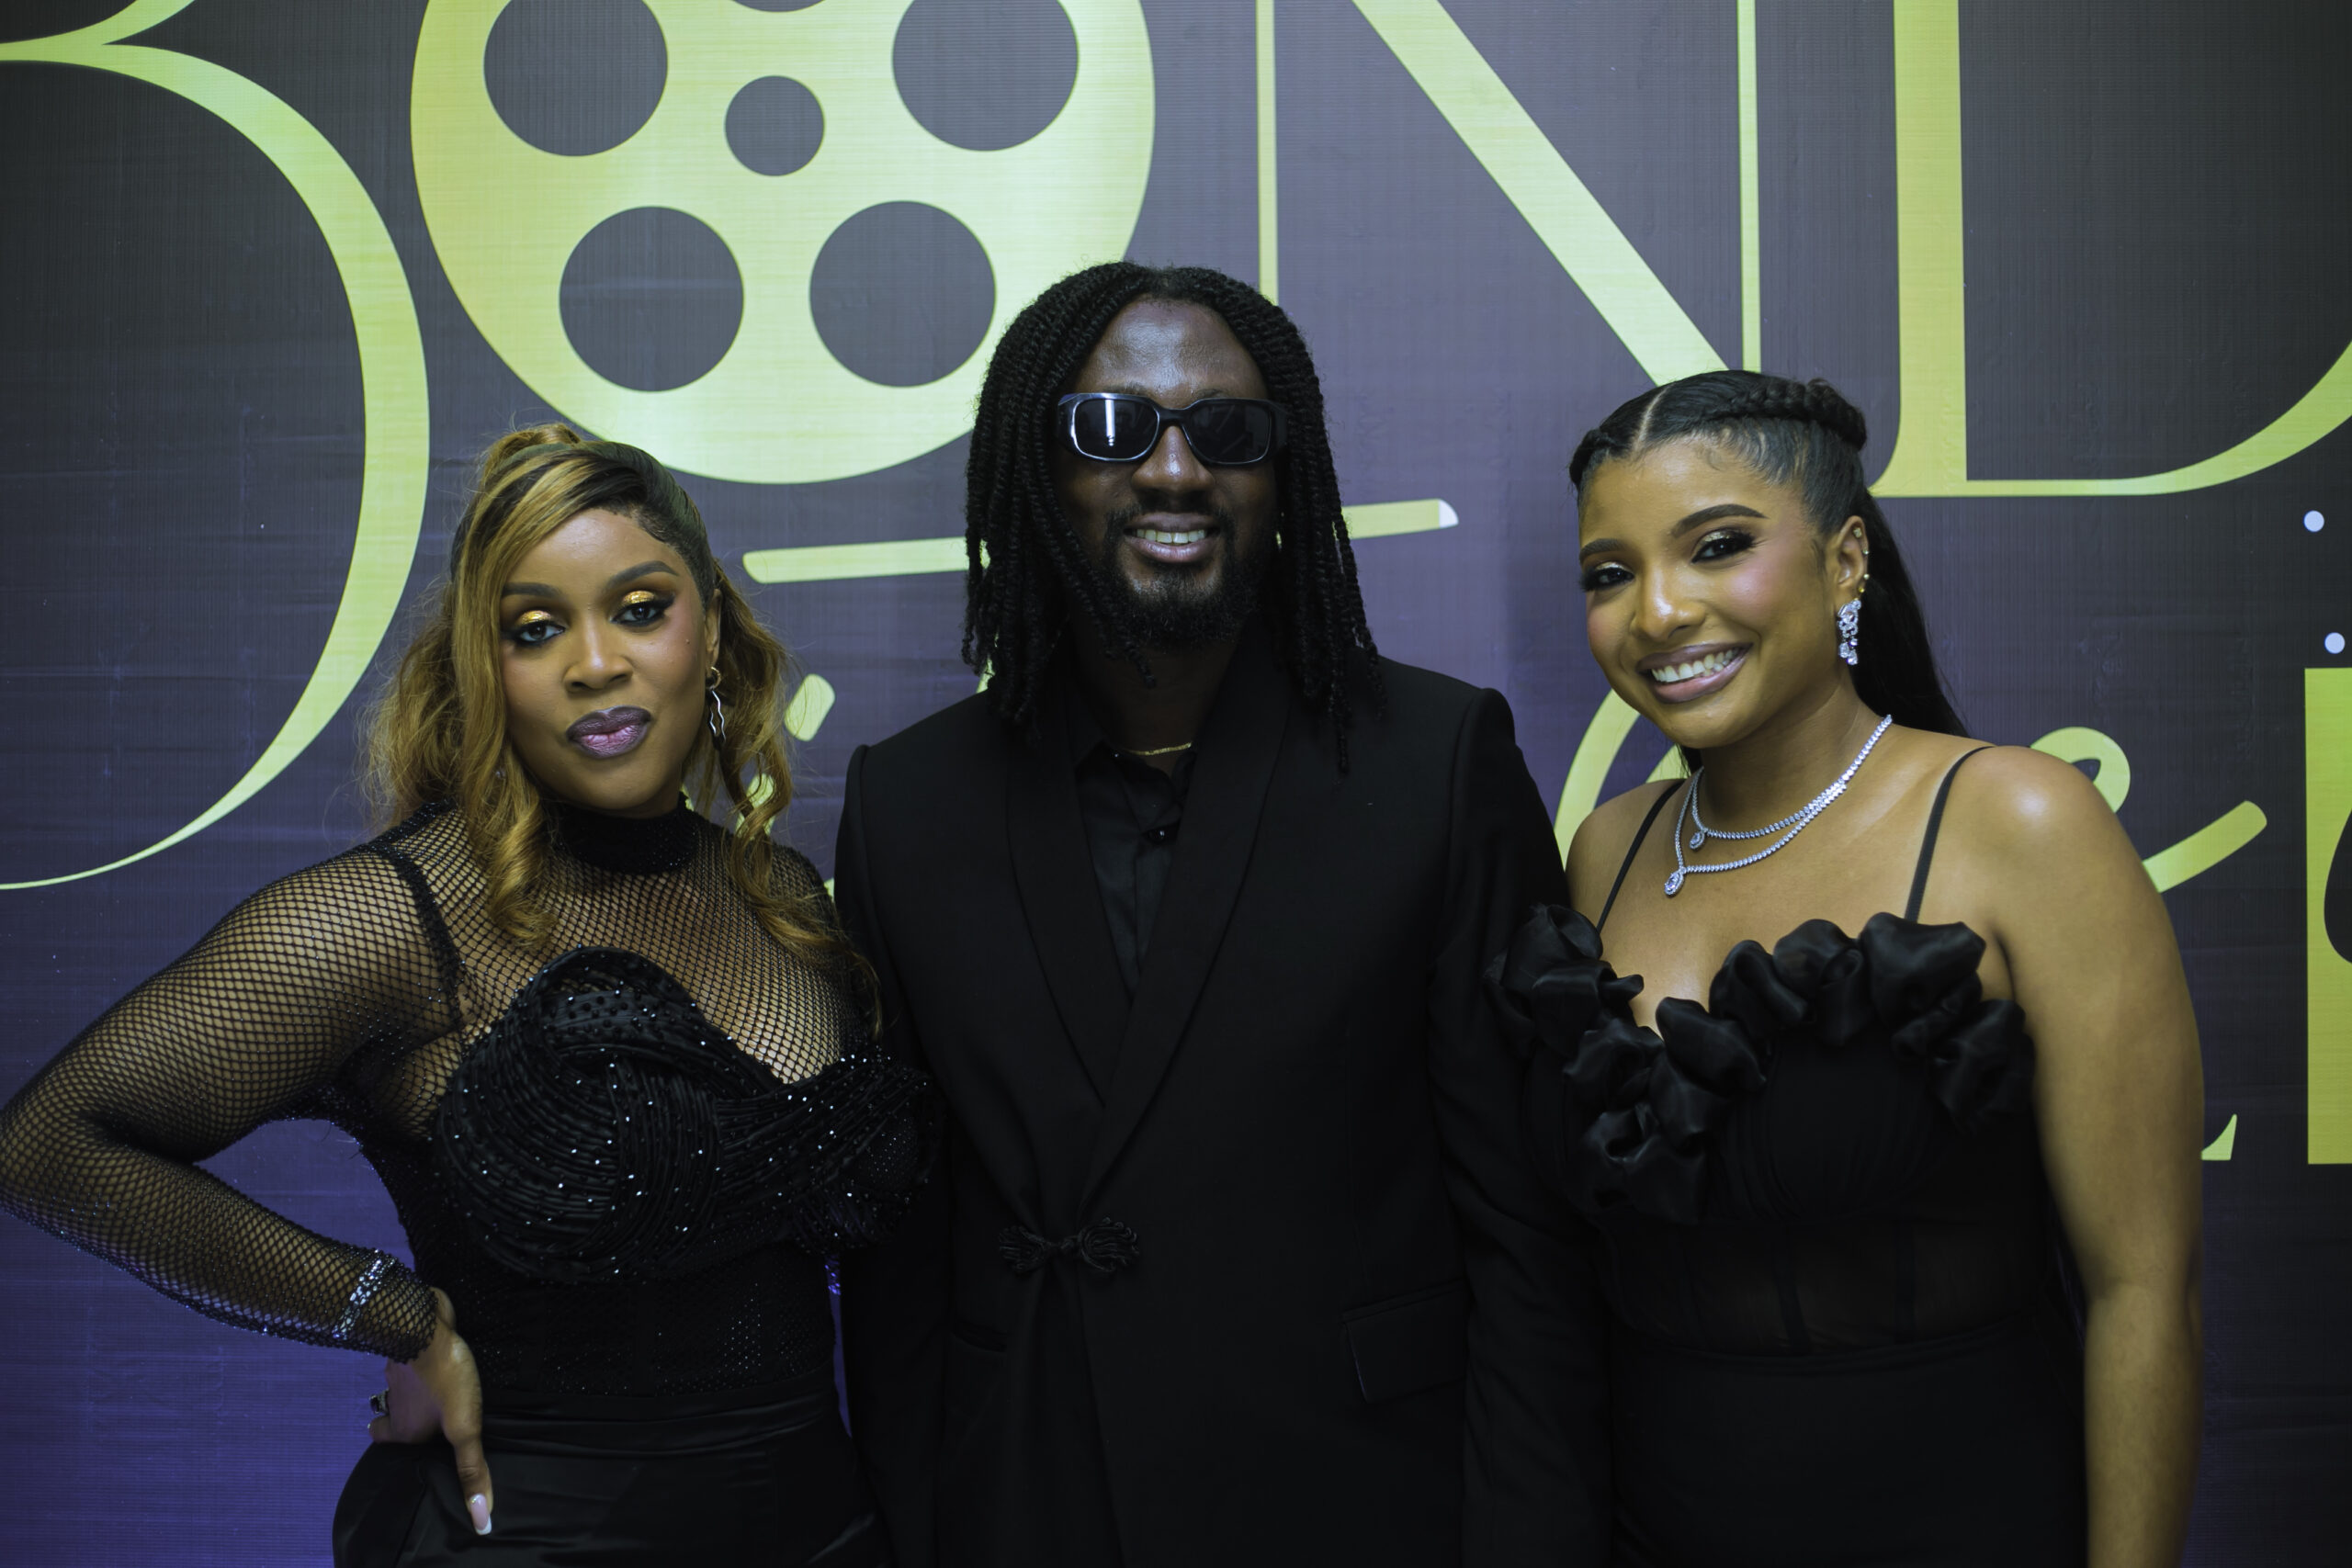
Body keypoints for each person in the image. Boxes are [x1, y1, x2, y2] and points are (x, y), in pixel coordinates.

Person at [0, 428, 933, 1565]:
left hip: (823, 1530)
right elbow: (47, 1146)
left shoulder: (775, 894)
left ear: (715, 632)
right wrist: (392, 1316)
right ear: (485, 673)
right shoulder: (402, 918)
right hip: (530, 1530)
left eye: (640, 608)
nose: (595, 662)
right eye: (535, 628)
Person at [831, 262, 1610, 1566]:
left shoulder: (1435, 760)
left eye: (1228, 431)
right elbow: (901, 1256)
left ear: (1281, 475)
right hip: (1032, 1497)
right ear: (1036, 467)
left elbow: (1527, 1235)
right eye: (1112, 426)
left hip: (1354, 1500)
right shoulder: (907, 802)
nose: (1176, 469)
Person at [1489, 371, 2204, 1566]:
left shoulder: (2018, 821)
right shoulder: (1604, 851)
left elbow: (2144, 1293)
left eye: (1717, 546)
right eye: (1609, 573)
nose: (1657, 611)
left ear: (1846, 559)